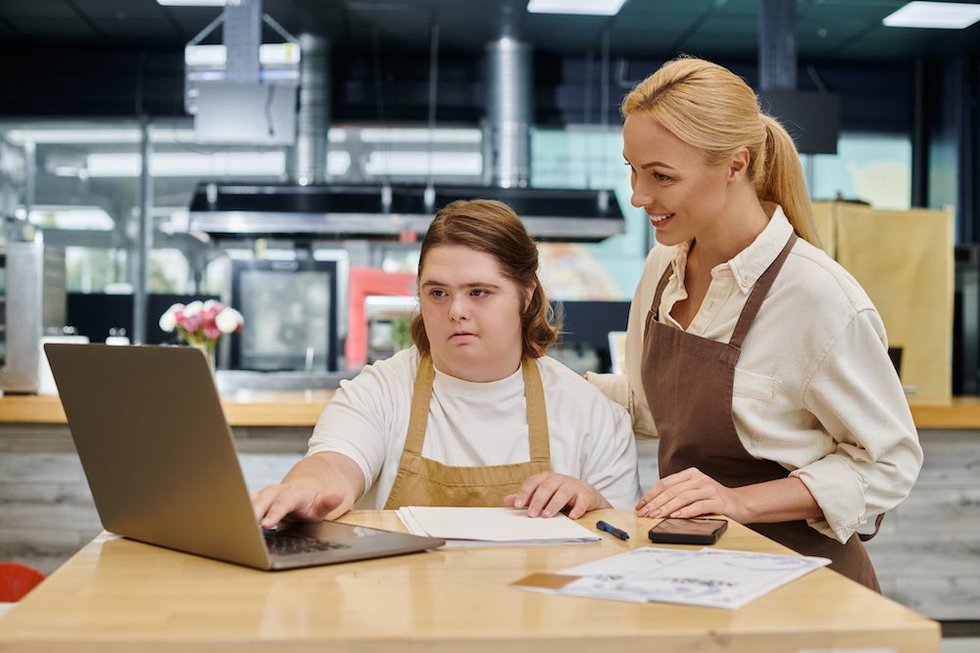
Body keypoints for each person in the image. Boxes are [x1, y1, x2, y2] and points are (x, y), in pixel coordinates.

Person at [587, 56, 923, 591]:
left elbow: (889, 463)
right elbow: (649, 406)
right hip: (698, 571)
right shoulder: (663, 269)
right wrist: (532, 381)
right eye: (632, 168)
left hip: (805, 585)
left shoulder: (817, 296)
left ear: (735, 165)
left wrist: (737, 501)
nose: (638, 195)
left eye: (661, 176)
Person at [253, 199, 641, 528]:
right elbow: (334, 463)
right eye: (438, 292)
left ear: (526, 296)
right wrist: (307, 488)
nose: (456, 311)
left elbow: (622, 547)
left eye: (479, 292)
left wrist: (594, 504)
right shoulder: (378, 393)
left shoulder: (592, 415)